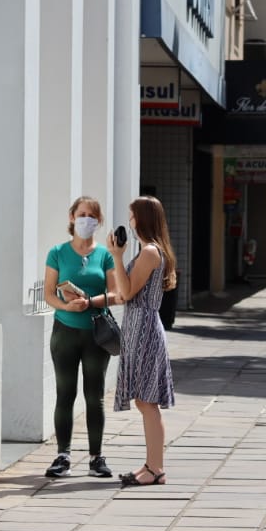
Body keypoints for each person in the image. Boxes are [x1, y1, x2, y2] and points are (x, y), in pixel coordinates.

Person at [42, 196, 119, 479]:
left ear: (98, 222)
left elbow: (116, 294)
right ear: (72, 217)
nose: (87, 219)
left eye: (92, 216)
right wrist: (66, 306)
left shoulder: (105, 255)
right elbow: (49, 293)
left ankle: (96, 457)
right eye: (82, 214)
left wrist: (91, 301)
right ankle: (63, 455)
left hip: (96, 334)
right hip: (65, 331)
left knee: (94, 396)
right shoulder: (57, 252)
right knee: (65, 393)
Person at [107, 196, 176, 487]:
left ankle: (156, 468)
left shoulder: (149, 252)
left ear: (142, 219)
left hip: (144, 329)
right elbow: (122, 293)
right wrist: (91, 301)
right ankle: (151, 465)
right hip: (139, 327)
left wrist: (117, 256)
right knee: (144, 401)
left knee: (147, 401)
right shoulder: (150, 250)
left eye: (132, 215)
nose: (130, 221)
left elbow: (127, 292)